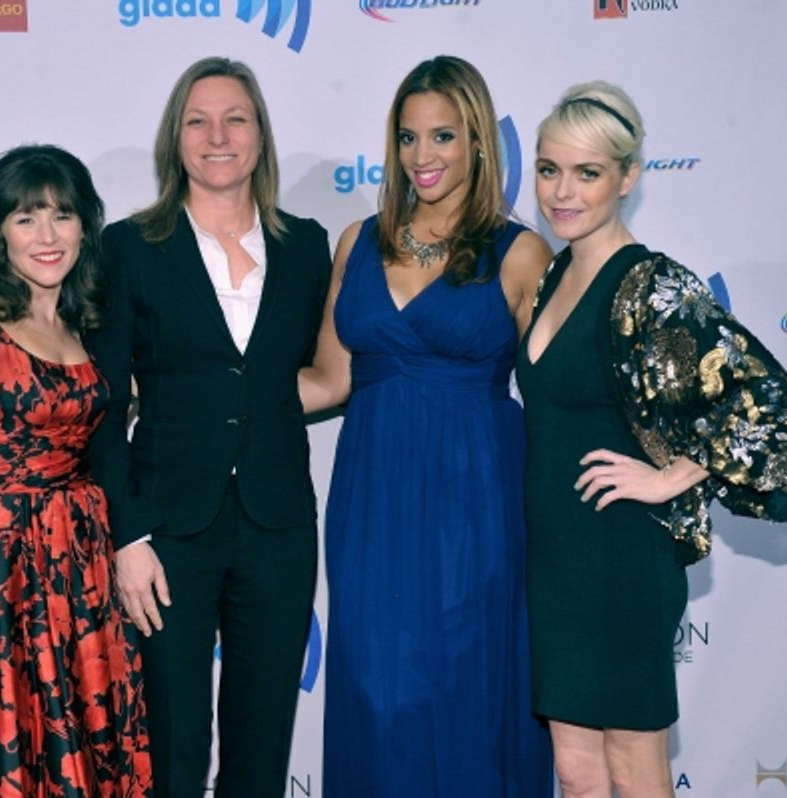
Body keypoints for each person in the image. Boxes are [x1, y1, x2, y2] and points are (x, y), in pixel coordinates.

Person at [516, 81, 787, 798]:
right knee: (576, 772)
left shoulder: (651, 285)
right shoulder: (557, 271)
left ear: (628, 177)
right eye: (550, 169)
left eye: (587, 173)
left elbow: (765, 396)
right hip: (558, 557)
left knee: (634, 766)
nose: (562, 191)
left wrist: (672, 475)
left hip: (622, 555)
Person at [299, 55, 554, 797]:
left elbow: (560, 392)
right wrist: (198, 397)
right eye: (408, 139)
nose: (423, 157)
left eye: (442, 137)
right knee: (376, 692)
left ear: (478, 141)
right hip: (372, 501)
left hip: (477, 502)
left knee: (469, 688)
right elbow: (326, 380)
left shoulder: (522, 253)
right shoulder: (358, 241)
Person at [84, 57, 331, 797]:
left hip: (278, 526)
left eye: (236, 118)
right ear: (175, 138)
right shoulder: (129, 247)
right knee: (171, 750)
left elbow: (319, 374)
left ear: (261, 136)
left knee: (261, 755)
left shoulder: (308, 246)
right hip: (165, 534)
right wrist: (125, 536)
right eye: (198, 120)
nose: (217, 136)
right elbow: (100, 403)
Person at [0, 144, 152, 797]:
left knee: (82, 746)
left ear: (85, 226)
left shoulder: (81, 324)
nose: (47, 236)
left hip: (82, 566)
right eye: (26, 218)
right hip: (3, 569)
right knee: (9, 754)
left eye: (63, 215)